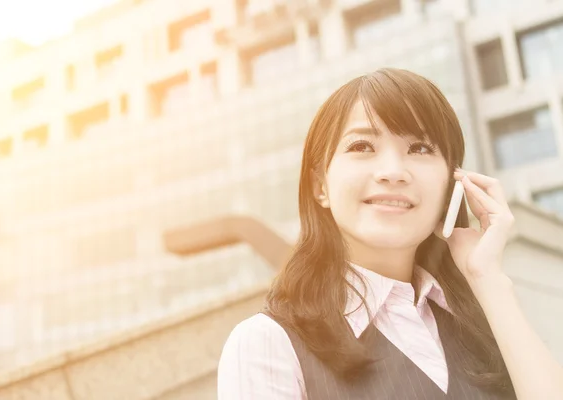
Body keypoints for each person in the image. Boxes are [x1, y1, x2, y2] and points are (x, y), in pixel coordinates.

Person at [217, 68, 563, 399]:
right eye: (362, 147)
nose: (393, 172)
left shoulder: (483, 324)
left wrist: (487, 278)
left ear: (452, 184)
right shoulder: (268, 344)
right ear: (320, 185)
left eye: (420, 149)